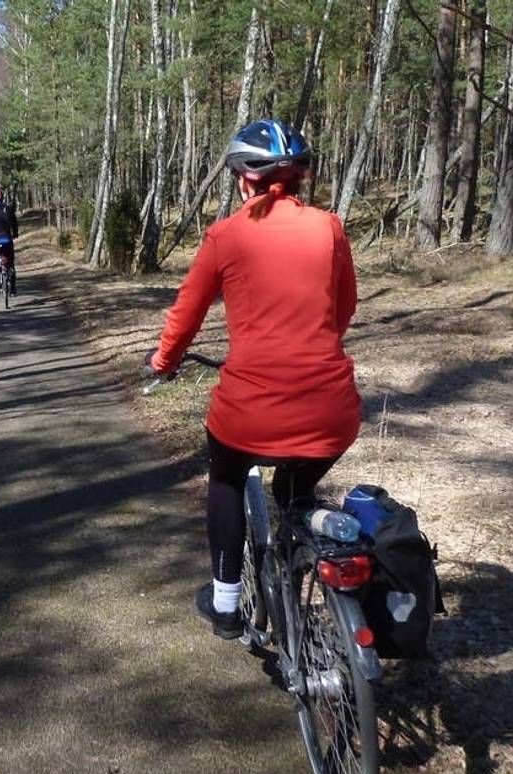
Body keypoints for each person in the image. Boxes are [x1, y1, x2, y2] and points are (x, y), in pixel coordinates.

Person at [148, 120, 361, 639]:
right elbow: (345, 305)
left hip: (250, 409)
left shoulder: (227, 235)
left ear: (244, 180)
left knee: (224, 477)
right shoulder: (329, 226)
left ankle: (225, 604)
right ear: (300, 178)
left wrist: (163, 362)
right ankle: (299, 542)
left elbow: (187, 312)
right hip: (332, 407)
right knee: (295, 486)